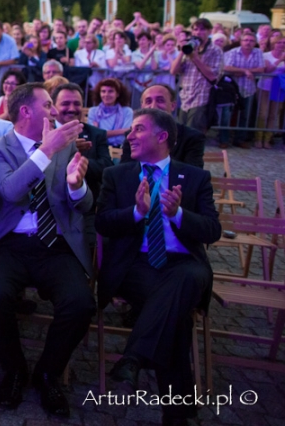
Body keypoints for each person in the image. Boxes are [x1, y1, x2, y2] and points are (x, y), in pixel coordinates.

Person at [96, 109, 221, 426]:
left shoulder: (194, 177)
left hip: (184, 264)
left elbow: (211, 231)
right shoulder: (118, 175)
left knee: (180, 285)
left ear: (162, 136)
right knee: (174, 314)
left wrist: (178, 214)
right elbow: (102, 224)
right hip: (135, 267)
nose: (129, 136)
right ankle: (177, 413)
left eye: (138, 129)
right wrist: (136, 213)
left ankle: (134, 356)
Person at [0, 83, 94, 418]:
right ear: (26, 111)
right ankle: (14, 369)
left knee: (81, 303)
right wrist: (46, 149)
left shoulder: (66, 143)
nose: (55, 111)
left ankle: (48, 372)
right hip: (11, 244)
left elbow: (85, 205)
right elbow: (11, 191)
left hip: (56, 244)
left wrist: (76, 186)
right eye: (48, 104)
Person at [52, 83, 113, 238]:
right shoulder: (43, 134)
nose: (72, 108)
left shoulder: (96, 134)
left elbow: (106, 169)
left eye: (77, 104)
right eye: (65, 104)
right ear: (53, 106)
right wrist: (66, 150)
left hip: (85, 211)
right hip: (47, 209)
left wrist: (77, 161)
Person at [171, 19, 222, 133]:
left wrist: (194, 57)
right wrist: (182, 50)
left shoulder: (215, 50)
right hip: (185, 97)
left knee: (193, 133)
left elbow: (212, 75)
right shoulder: (190, 47)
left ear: (209, 31)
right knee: (181, 133)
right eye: (195, 29)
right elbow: (173, 70)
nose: (198, 32)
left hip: (202, 97)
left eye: (202, 29)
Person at [221, 31, 264, 148]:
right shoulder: (233, 52)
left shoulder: (258, 52)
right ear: (241, 41)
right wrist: (245, 71)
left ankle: (240, 139)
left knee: (245, 115)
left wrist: (241, 71)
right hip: (232, 89)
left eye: (251, 41)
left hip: (249, 88)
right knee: (227, 115)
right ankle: (224, 139)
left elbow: (261, 69)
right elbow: (227, 67)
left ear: (255, 42)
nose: (248, 43)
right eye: (246, 40)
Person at [87, 78, 133, 147]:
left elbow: (126, 133)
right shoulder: (93, 111)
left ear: (117, 94)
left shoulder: (127, 111)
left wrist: (100, 132)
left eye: (110, 91)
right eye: (103, 91)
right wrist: (120, 131)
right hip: (98, 147)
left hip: (119, 148)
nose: (106, 95)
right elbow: (94, 135)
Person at [257, 36, 285, 149]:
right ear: (273, 43)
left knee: (273, 115)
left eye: (284, 43)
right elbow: (267, 70)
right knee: (263, 114)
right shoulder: (265, 55)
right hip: (265, 88)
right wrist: (280, 60)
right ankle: (259, 138)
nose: (281, 45)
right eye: (279, 42)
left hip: (279, 90)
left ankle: (267, 139)